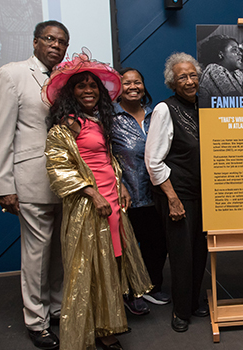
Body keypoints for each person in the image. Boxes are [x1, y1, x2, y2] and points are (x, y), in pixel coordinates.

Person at [43, 51, 152, 350]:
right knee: (88, 267)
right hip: (89, 204)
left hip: (113, 200)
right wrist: (92, 194)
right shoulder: (67, 123)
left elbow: (106, 159)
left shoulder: (97, 119)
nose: (88, 90)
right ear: (71, 92)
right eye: (81, 86)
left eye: (93, 85)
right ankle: (96, 331)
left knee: (111, 264)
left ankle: (108, 322)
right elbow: (58, 167)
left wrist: (121, 188)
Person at [0, 20, 68, 350]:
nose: (56, 46)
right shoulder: (12, 74)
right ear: (35, 42)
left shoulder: (66, 80)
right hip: (31, 180)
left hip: (66, 181)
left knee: (60, 253)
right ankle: (36, 321)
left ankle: (57, 309)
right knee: (36, 254)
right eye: (49, 39)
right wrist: (4, 186)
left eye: (62, 42)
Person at [145, 52, 208, 332]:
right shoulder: (164, 109)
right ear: (172, 81)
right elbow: (153, 160)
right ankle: (181, 312)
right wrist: (172, 198)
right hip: (177, 194)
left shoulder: (204, 108)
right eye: (182, 76)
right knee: (182, 255)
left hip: (203, 194)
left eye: (193, 74)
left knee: (199, 252)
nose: (190, 80)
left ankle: (193, 301)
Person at [111, 67, 171, 310]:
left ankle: (151, 287)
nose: (133, 87)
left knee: (157, 243)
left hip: (157, 191)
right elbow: (103, 155)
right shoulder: (110, 117)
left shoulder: (155, 113)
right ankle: (128, 292)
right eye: (126, 83)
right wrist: (118, 185)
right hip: (126, 193)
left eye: (138, 82)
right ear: (118, 87)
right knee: (125, 248)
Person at [198, 35, 243, 106]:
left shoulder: (237, 73)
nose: (240, 53)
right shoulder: (213, 69)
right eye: (234, 50)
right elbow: (236, 102)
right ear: (221, 54)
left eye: (239, 50)